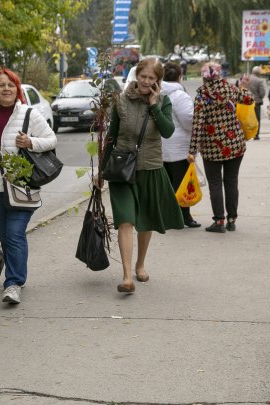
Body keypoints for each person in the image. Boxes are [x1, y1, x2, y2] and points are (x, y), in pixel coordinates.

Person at [0, 67, 57, 305]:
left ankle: (13, 283)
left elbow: (51, 139)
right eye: (1, 85)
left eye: (11, 85)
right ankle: (18, 276)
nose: (6, 88)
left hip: (22, 186)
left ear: (17, 89)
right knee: (6, 236)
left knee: (15, 233)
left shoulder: (29, 114)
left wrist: (30, 142)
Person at [100, 57, 184, 294]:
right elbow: (111, 136)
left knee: (144, 220)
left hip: (150, 166)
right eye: (143, 76)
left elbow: (167, 132)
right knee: (125, 220)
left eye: (152, 78)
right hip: (121, 168)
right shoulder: (121, 101)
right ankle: (127, 276)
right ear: (136, 76)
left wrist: (155, 105)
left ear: (158, 81)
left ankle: (140, 264)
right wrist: (101, 170)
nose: (146, 81)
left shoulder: (164, 101)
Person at [188, 62, 254, 233]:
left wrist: (192, 151)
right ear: (219, 75)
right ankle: (232, 219)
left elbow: (198, 125)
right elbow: (249, 99)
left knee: (215, 184)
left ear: (204, 77)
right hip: (235, 145)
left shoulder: (202, 97)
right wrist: (244, 87)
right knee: (232, 182)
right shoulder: (230, 89)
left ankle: (219, 222)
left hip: (212, 148)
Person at [160, 61, 199, 229]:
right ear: (179, 76)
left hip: (163, 146)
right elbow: (189, 120)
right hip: (179, 149)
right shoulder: (179, 95)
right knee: (182, 184)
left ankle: (168, 216)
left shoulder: (159, 93)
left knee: (167, 184)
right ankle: (184, 217)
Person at [247, 66, 267, 140]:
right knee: (256, 119)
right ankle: (256, 135)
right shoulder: (259, 81)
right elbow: (262, 93)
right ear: (259, 73)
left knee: (247, 118)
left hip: (246, 101)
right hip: (256, 102)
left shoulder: (247, 78)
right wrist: (260, 97)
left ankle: (246, 133)